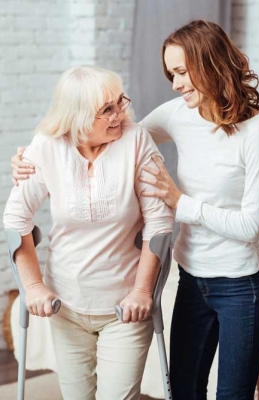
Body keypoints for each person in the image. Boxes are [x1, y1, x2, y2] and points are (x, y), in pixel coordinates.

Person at [11, 19, 259, 400]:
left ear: (211, 64)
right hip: (192, 278)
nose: (176, 84)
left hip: (240, 284)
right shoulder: (179, 113)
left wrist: (180, 203)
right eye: (171, 73)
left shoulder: (257, 132)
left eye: (183, 72)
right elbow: (120, 135)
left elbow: (250, 226)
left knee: (233, 395)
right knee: (184, 392)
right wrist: (31, 157)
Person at [4, 65, 174, 400]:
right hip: (65, 303)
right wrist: (34, 286)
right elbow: (15, 220)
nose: (119, 115)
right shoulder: (47, 147)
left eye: (120, 103)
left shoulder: (135, 139)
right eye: (107, 110)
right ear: (77, 117)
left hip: (124, 306)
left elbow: (159, 223)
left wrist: (142, 291)